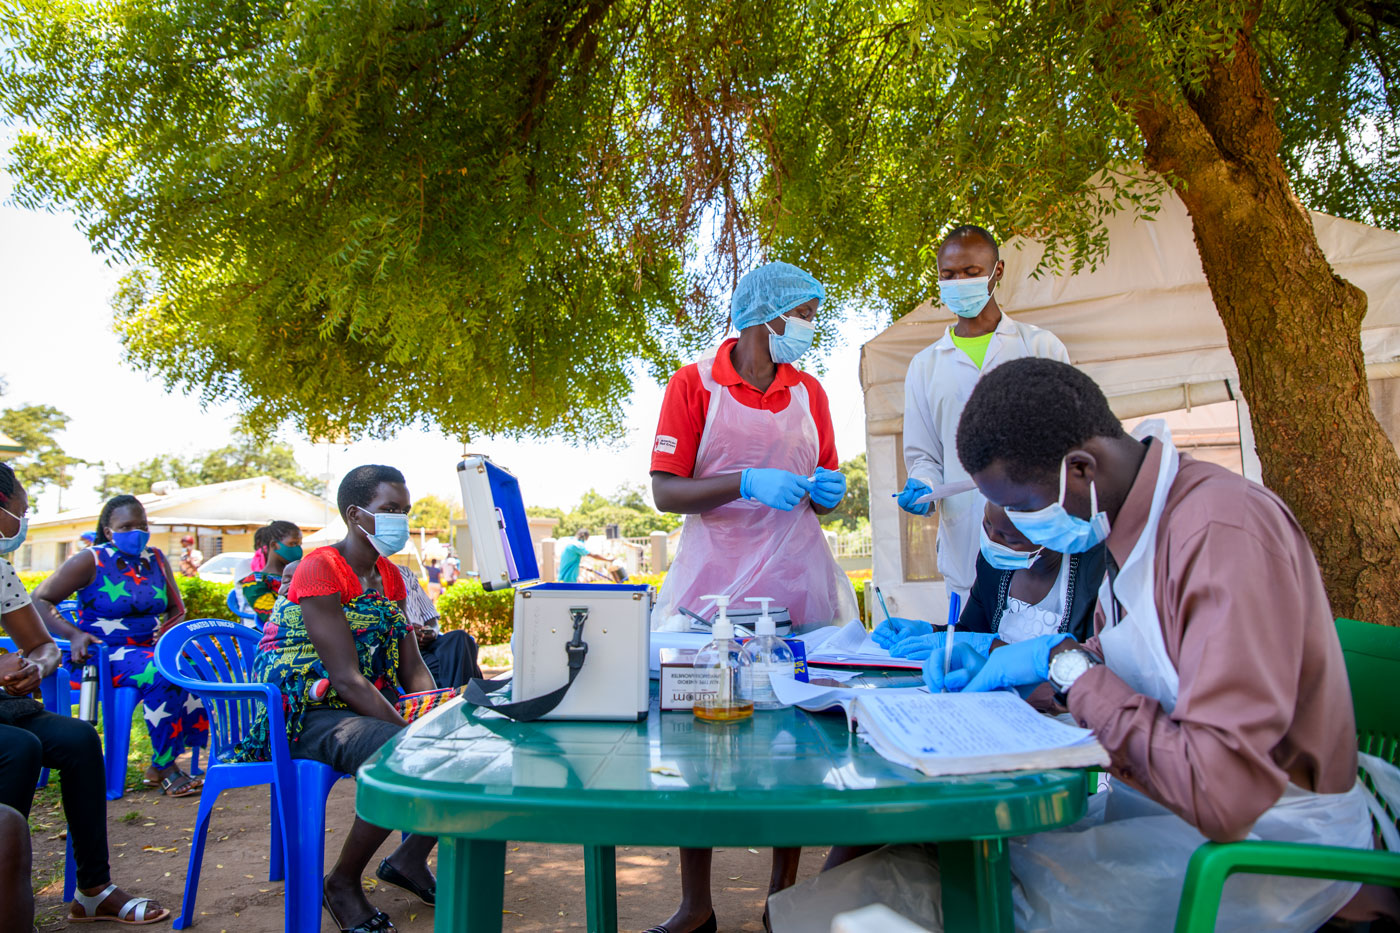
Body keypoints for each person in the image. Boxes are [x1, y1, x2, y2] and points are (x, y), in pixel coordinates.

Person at [782, 358, 1388, 931]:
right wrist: (1013, 668)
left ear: (1080, 469)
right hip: (1164, 809)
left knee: (913, 903)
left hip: (1264, 848)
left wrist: (1065, 664)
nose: (1016, 528)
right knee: (902, 853)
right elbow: (1137, 667)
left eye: (1021, 507)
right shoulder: (1133, 522)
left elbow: (1222, 792)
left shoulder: (1220, 534)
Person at [645, 261, 858, 933]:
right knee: (697, 734)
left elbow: (826, 480)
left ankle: (780, 898)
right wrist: (743, 480)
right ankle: (696, 903)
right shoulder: (695, 383)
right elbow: (665, 490)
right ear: (767, 316)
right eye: (805, 314)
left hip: (797, 582)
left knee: (794, 741)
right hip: (713, 590)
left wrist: (831, 490)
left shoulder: (809, 390)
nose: (809, 328)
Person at [235, 465, 438, 933]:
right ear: (356, 514)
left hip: (359, 705)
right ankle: (342, 883)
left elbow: (412, 669)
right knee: (405, 751)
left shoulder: (391, 576)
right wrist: (411, 731)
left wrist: (437, 712)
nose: (400, 521)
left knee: (459, 745)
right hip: (309, 712)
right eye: (390, 510)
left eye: (405, 511)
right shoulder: (320, 567)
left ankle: (408, 859)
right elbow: (345, 678)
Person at [0, 464, 170, 924]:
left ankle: (92, 888)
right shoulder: (90, 560)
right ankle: (6, 882)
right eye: (22, 507)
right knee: (20, 747)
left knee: (78, 738)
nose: (26, 516)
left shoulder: (0, 572)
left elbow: (38, 645)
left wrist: (34, 667)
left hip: (4, 703)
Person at [896, 225, 1069, 609]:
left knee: (1035, 647)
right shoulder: (925, 366)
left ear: (998, 271)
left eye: (972, 272)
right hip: (964, 550)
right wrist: (922, 488)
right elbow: (924, 455)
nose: (959, 282)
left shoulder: (1040, 347)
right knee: (969, 647)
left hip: (1036, 543)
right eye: (949, 275)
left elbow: (1071, 445)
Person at [33, 494, 207, 797]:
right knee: (160, 670)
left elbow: (176, 608)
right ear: (109, 530)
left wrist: (168, 628)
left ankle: (163, 759)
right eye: (127, 526)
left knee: (187, 668)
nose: (137, 532)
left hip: (146, 652)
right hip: (98, 656)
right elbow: (39, 600)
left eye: (142, 525)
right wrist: (73, 634)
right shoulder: (90, 559)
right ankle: (166, 766)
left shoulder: (156, 559)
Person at [873, 502, 1105, 661]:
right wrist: (930, 632)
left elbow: (1084, 666)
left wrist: (989, 648)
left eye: (1009, 538)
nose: (992, 541)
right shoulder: (993, 564)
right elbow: (971, 630)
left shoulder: (1095, 574)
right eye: (987, 525)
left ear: (1050, 533)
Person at [394, 564, 482, 688]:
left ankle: (459, 697)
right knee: (447, 666)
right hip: (402, 649)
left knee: (460, 639)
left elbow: (430, 616)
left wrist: (431, 631)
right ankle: (463, 698)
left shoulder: (404, 573)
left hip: (427, 641)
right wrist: (409, 634)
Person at [238, 520, 302, 635]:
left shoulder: (301, 575)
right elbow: (274, 617)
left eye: (299, 544)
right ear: (274, 545)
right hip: (279, 641)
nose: (298, 549)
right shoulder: (255, 582)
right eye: (293, 544)